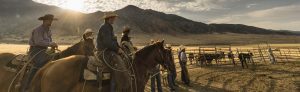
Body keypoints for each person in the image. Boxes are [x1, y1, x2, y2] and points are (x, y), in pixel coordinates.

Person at [22, 14, 58, 92]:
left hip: (44, 50)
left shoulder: (48, 30)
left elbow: (49, 41)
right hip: (35, 50)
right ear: (44, 21)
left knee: (56, 58)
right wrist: (51, 44)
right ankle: (27, 87)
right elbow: (38, 42)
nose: (51, 21)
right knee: (39, 63)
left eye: (51, 20)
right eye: (49, 20)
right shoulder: (38, 30)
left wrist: (52, 46)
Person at [96, 12, 131, 91]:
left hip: (108, 51)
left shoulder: (109, 27)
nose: (115, 19)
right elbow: (107, 42)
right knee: (117, 69)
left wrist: (119, 48)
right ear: (109, 18)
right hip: (104, 52)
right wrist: (117, 49)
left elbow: (113, 42)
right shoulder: (105, 27)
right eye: (113, 18)